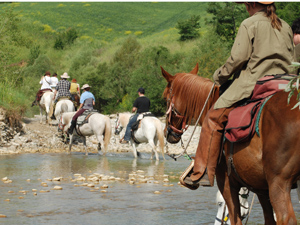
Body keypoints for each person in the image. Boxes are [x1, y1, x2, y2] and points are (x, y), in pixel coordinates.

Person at [182, 2, 294, 189]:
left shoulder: (249, 24)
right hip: (286, 85)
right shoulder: (286, 26)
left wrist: (219, 75)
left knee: (212, 118)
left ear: (250, 4)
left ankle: (202, 173)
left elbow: (238, 58)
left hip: (255, 82)